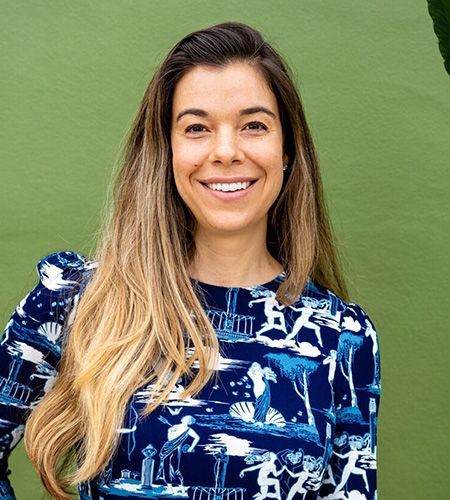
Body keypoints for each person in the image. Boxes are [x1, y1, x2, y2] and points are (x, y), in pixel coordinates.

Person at [0, 21, 381, 499]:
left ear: (287, 150)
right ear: (167, 151)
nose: (225, 152)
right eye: (197, 128)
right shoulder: (78, 300)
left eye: (254, 125)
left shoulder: (343, 338)